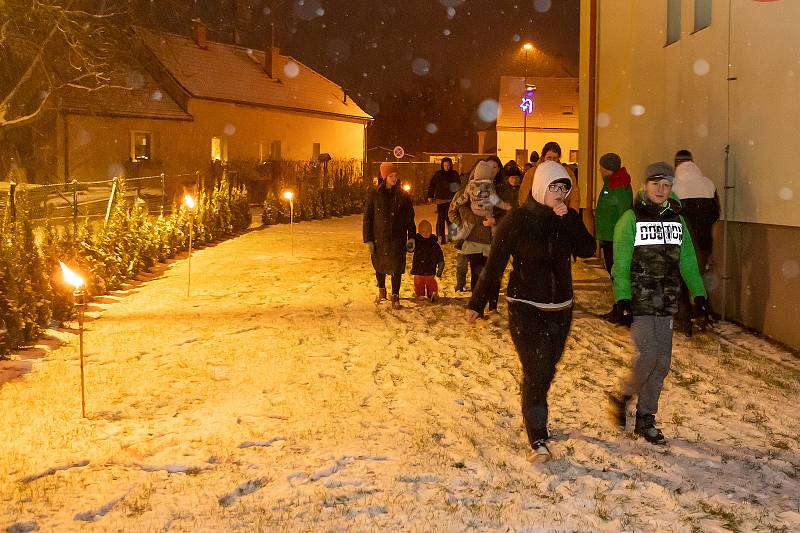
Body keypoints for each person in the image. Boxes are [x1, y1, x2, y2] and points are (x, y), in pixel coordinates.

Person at [466, 161, 595, 462]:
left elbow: (588, 250)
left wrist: (569, 222)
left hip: (560, 308)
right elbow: (494, 265)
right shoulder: (518, 221)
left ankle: (534, 409)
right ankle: (538, 437)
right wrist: (476, 302)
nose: (560, 193)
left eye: (564, 188)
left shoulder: (568, 218)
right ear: (540, 187)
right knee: (536, 370)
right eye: (554, 187)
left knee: (546, 370)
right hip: (525, 307)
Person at [608, 162, 711, 445]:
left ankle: (646, 417)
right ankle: (625, 394)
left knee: (662, 362)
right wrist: (622, 299)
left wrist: (699, 294)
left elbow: (688, 259)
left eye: (666, 185)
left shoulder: (677, 219)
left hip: (666, 300)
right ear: (645, 185)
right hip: (639, 300)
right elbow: (621, 263)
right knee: (649, 355)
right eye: (655, 183)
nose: (661, 189)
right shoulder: (631, 219)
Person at [672, 152, 720, 334]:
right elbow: (716, 212)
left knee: (682, 278)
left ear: (676, 163)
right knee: (698, 276)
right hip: (704, 239)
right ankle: (702, 312)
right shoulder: (708, 183)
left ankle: (684, 318)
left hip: (682, 240)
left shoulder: (674, 185)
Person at [363, 162, 416, 309]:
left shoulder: (403, 196)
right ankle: (381, 290)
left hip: (397, 237)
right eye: (390, 176)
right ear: (384, 176)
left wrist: (411, 236)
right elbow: (368, 217)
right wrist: (369, 239)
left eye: (395, 175)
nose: (394, 178)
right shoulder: (374, 194)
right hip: (379, 237)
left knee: (397, 267)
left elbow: (409, 218)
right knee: (379, 265)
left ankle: (395, 296)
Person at [594, 152, 633, 322]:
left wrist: (620, 237)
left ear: (607, 169)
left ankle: (623, 310)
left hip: (616, 239)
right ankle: (619, 307)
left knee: (618, 274)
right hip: (609, 237)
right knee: (614, 274)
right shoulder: (611, 183)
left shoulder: (619, 186)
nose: (599, 170)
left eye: (601, 167)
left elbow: (623, 214)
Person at [519, 142, 581, 211]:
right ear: (543, 157)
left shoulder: (567, 173)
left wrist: (572, 215)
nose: (552, 161)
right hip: (537, 214)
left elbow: (574, 196)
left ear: (559, 158)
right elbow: (524, 195)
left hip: (560, 214)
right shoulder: (532, 173)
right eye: (549, 158)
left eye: (555, 158)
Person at [426, 157, 461, 245]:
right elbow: (432, 185)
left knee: (450, 218)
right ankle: (442, 238)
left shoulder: (454, 174)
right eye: (445, 165)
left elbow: (458, 185)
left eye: (448, 165)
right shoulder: (438, 174)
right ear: (442, 165)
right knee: (441, 218)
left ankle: (452, 236)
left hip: (451, 199)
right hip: (440, 199)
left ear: (451, 165)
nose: (447, 167)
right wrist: (430, 195)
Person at [410, 220, 445, 302]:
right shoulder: (417, 241)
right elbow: (410, 248)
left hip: (430, 267)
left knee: (431, 282)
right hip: (418, 267)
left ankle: (432, 293)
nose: (426, 233)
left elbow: (439, 254)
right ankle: (420, 294)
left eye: (428, 231)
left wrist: (440, 263)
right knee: (419, 282)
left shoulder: (434, 243)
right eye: (424, 231)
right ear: (420, 232)